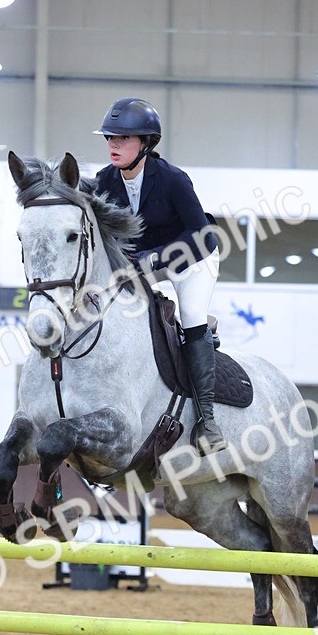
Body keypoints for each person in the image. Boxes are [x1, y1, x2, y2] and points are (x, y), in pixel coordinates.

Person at [94, 97, 224, 453]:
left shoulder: (172, 179)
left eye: (123, 138)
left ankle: (207, 421)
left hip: (190, 259)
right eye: (110, 138)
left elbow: (201, 234)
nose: (113, 145)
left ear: (146, 143)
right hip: (142, 264)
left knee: (192, 317)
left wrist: (155, 257)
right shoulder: (105, 180)